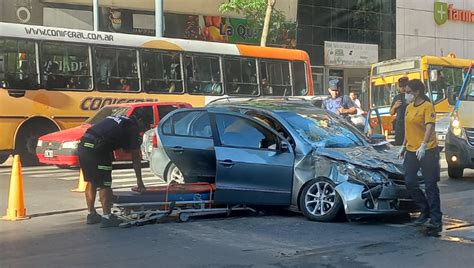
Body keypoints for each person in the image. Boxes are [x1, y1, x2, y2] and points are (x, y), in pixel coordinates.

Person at [77, 112, 148, 227]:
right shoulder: (132, 127)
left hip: (84, 145)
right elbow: (135, 157)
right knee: (105, 184)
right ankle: (107, 217)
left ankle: (91, 214)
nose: (142, 129)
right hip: (98, 149)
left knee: (91, 181)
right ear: (139, 121)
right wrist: (140, 182)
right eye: (143, 126)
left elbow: (122, 147)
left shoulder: (118, 118)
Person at [398, 79, 442, 236]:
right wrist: (403, 145)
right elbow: (407, 128)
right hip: (411, 150)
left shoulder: (427, 106)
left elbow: (430, 126)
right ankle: (425, 210)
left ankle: (436, 220)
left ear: (417, 92)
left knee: (430, 185)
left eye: (408, 92)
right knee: (409, 181)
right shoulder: (409, 108)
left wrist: (424, 145)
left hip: (427, 150)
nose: (406, 95)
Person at [390, 77, 409, 145]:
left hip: (410, 124)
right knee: (399, 144)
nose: (403, 88)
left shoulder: (411, 96)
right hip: (400, 125)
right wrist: (395, 106)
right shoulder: (397, 97)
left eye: (404, 86)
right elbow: (391, 113)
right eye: (401, 86)